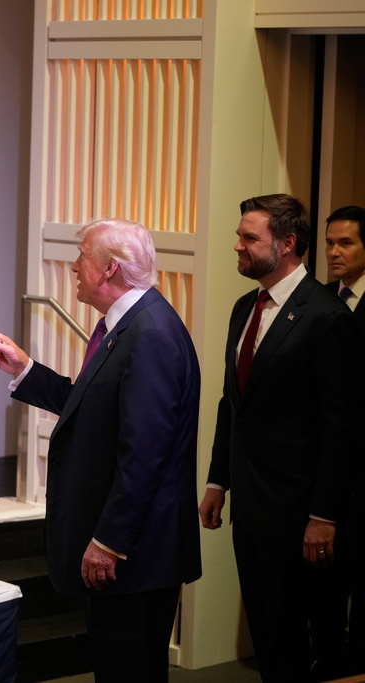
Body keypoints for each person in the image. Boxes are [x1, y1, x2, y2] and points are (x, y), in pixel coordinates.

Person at [0, 219, 202, 681]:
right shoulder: (126, 326)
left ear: (110, 269)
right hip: (130, 550)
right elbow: (92, 408)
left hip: (135, 554)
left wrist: (109, 542)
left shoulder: (151, 335)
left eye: (82, 255)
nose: (74, 265)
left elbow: (145, 452)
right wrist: (27, 370)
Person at [199, 194, 364, 682]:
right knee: (269, 640)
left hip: (300, 517)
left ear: (287, 244)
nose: (238, 246)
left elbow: (342, 428)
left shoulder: (326, 316)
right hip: (250, 509)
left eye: (250, 238)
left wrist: (324, 515)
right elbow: (234, 403)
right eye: (240, 235)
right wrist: (216, 482)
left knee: (299, 642)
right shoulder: (242, 308)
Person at [310, 205, 365, 679]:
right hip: (323, 471)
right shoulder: (323, 300)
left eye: (345, 243)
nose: (333, 252)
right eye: (329, 242)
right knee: (323, 592)